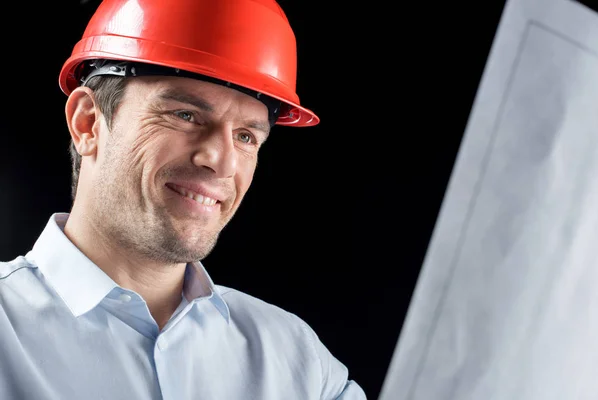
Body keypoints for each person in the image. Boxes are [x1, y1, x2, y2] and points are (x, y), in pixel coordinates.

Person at [0, 0, 367, 399]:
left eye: (246, 136)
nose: (221, 161)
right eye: (185, 115)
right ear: (87, 122)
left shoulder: (299, 363)